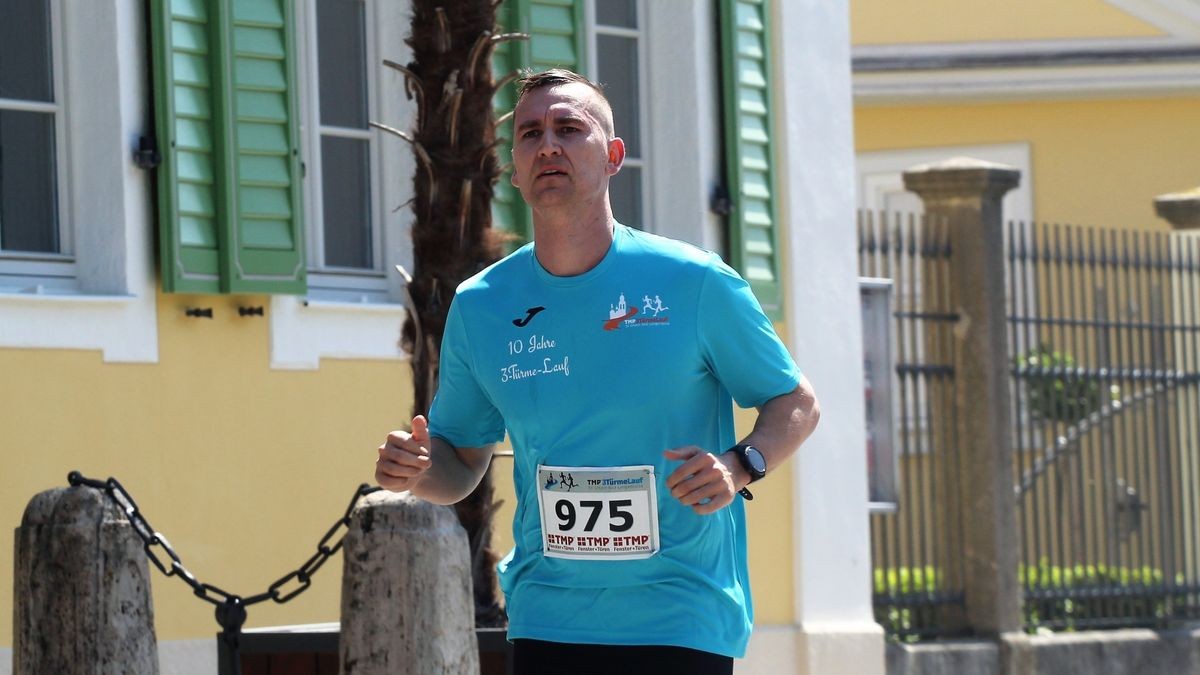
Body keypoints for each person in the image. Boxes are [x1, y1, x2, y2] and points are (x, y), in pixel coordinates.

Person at [375, 68, 820, 675]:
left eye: (568, 128)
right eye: (530, 134)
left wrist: (742, 464)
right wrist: (422, 470)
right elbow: (462, 466)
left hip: (680, 614)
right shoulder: (483, 304)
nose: (548, 145)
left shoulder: (692, 283)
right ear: (514, 166)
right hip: (547, 615)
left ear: (612, 156)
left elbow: (795, 402)